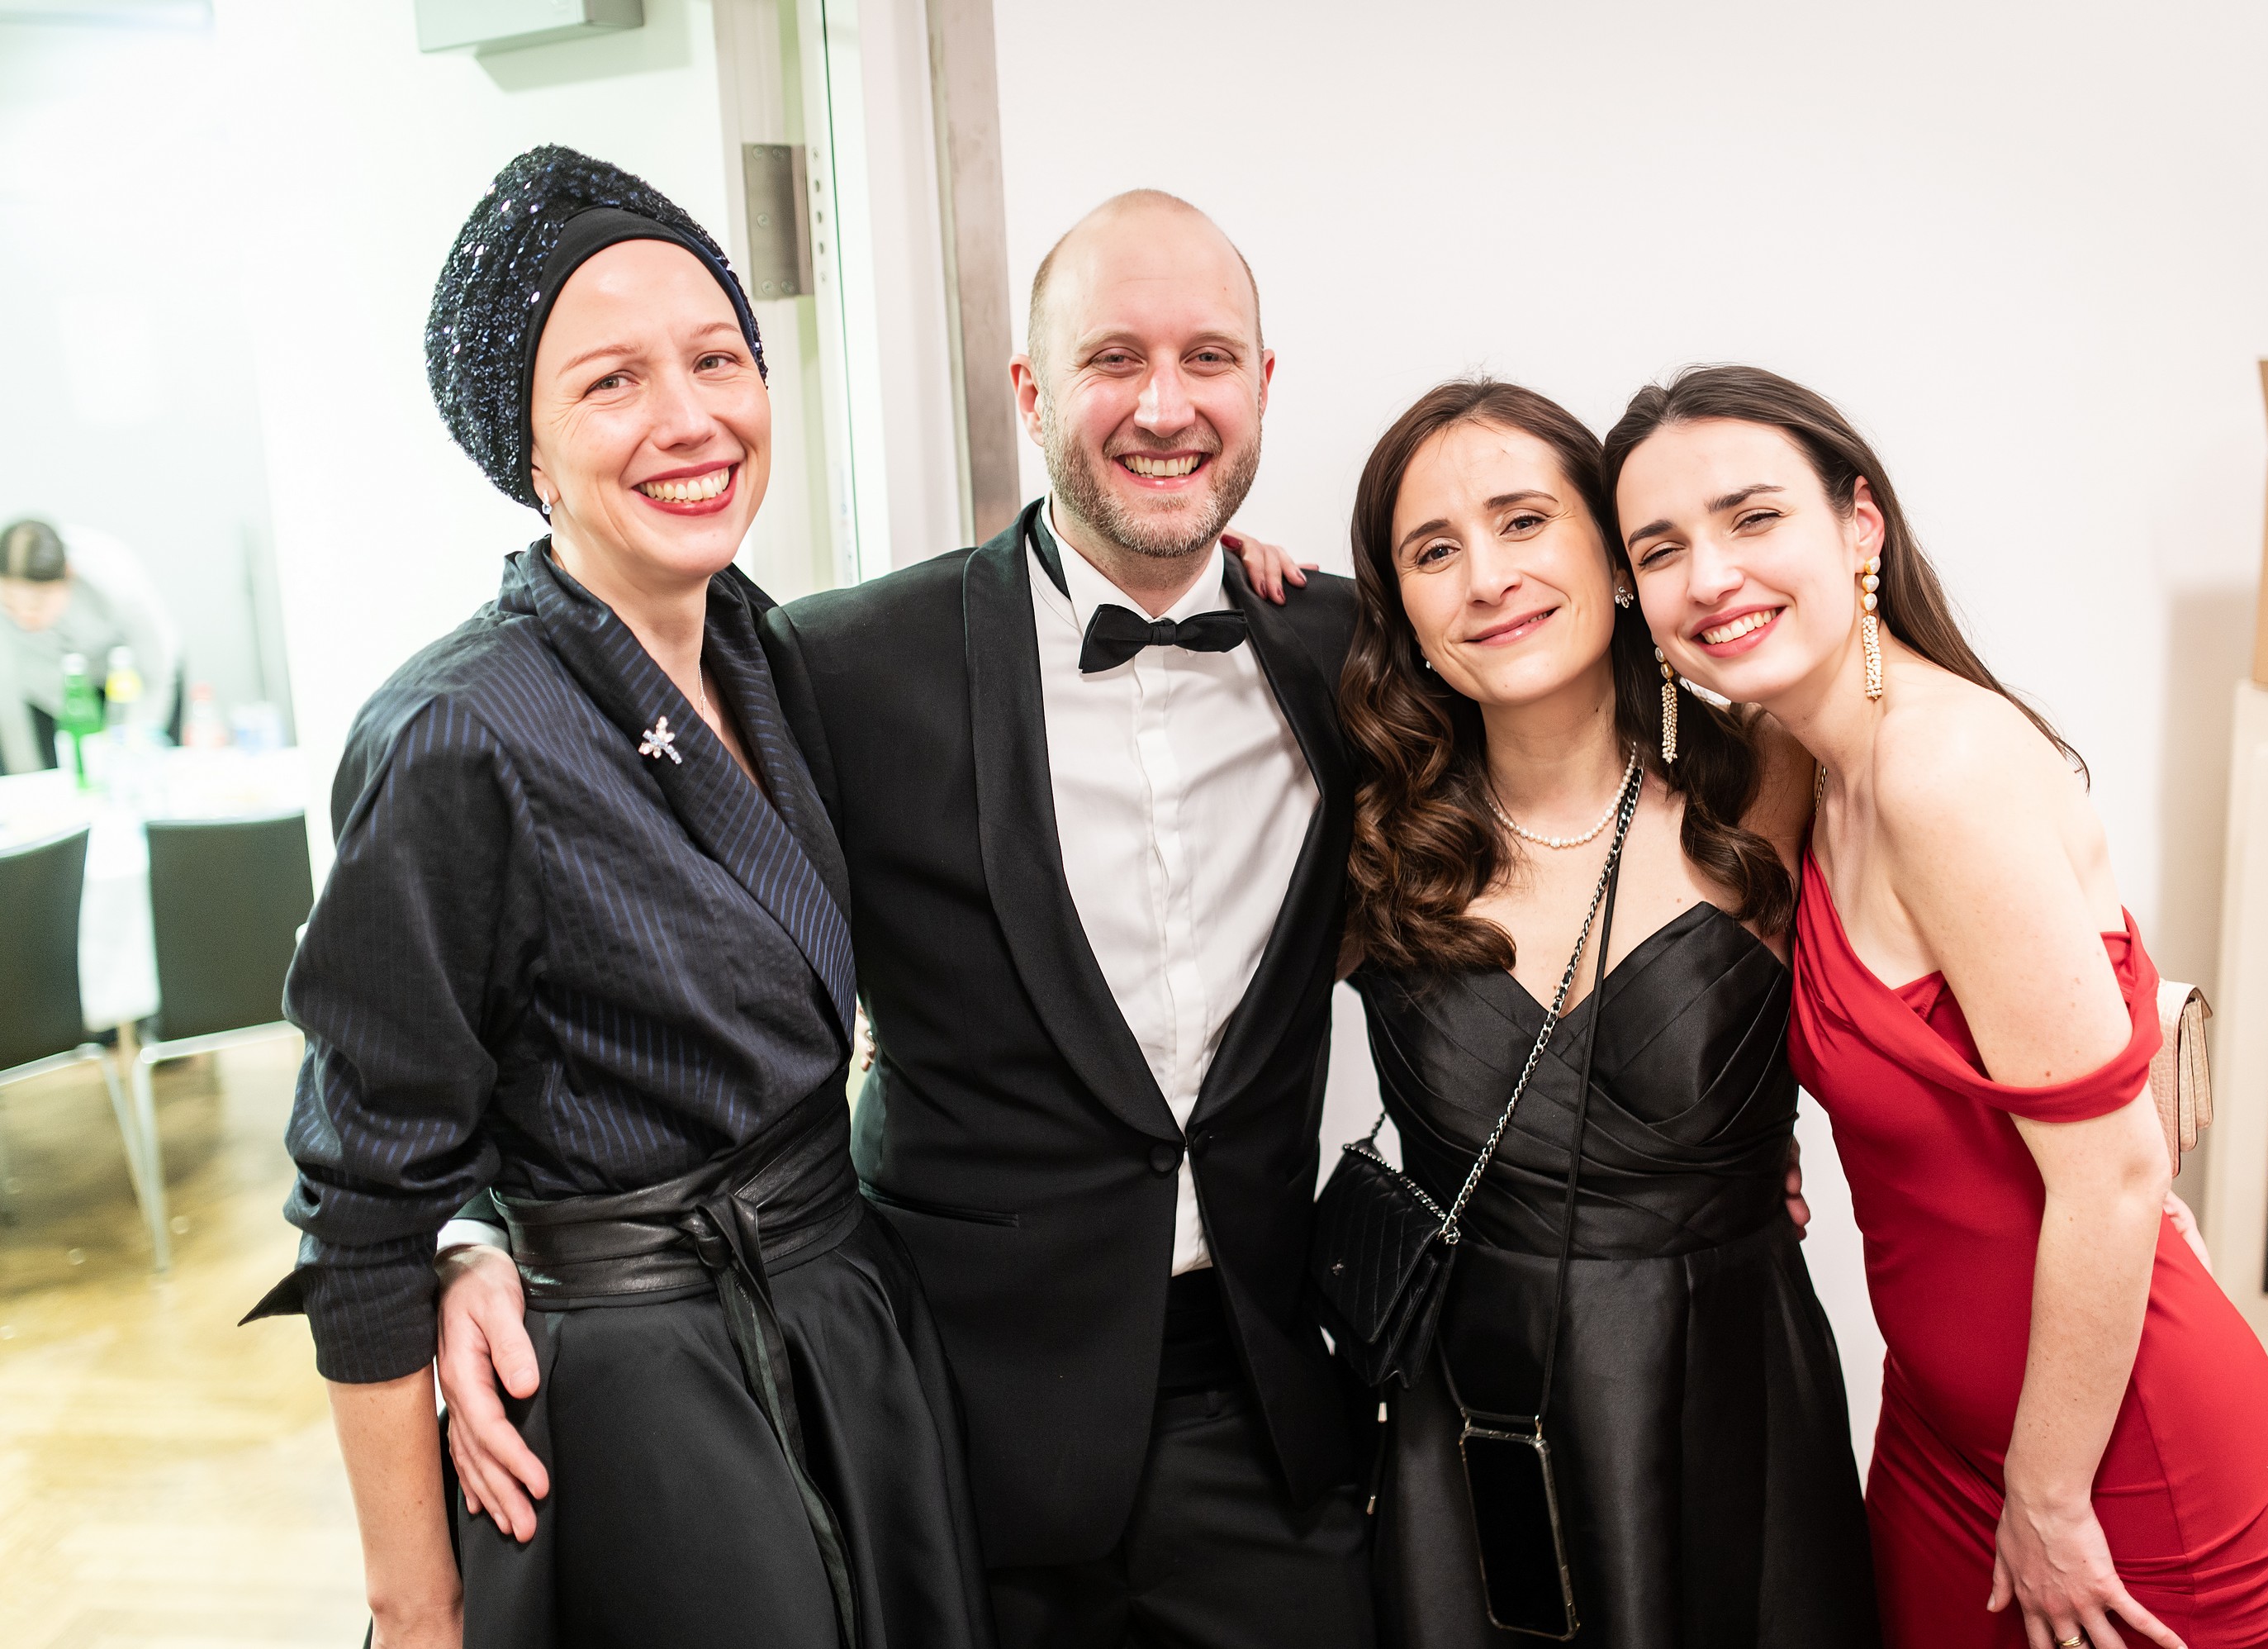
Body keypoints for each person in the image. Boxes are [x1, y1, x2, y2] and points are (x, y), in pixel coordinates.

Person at [440, 188, 1378, 1649]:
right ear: (1031, 393)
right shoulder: (834, 664)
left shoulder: (1355, 650)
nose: (1164, 406)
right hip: (942, 1424)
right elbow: (604, 951)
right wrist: (470, 1231)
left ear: (1261, 386)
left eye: (1208, 359)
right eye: (1112, 358)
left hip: (1264, 1410)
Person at [245, 146, 992, 1649]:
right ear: (523, 450)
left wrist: (1221, 566)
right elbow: (366, 1203)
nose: (690, 416)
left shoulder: (762, 652)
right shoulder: (456, 734)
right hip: (647, 1402)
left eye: (717, 358)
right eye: (612, 382)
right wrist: (417, 1609)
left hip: (845, 1330)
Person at [1606, 365, 2268, 1649]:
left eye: (1753, 518)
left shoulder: (1942, 768)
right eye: (1660, 550)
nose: (1709, 576)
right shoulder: (1804, 763)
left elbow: (2111, 1171)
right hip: (1937, 1427)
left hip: (2106, 1463)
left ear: (1859, 526)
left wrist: (2049, 1499)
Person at [1326, 378, 1877, 1647]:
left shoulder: (1776, 780)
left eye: (1525, 521)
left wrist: (2109, 1158)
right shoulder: (1368, 848)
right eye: (1433, 551)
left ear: (1620, 560)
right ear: (1402, 610)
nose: (1488, 578)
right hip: (1473, 1430)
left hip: (1734, 1397)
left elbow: (1964, 987)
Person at [0, 516, 180, 774]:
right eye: (10, 605)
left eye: (38, 603)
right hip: (54, 689)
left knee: (144, 764)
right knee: (67, 774)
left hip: (132, 676)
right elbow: (9, 692)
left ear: (68, 574)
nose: (24, 617)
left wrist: (135, 742)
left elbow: (155, 669)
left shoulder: (112, 576)